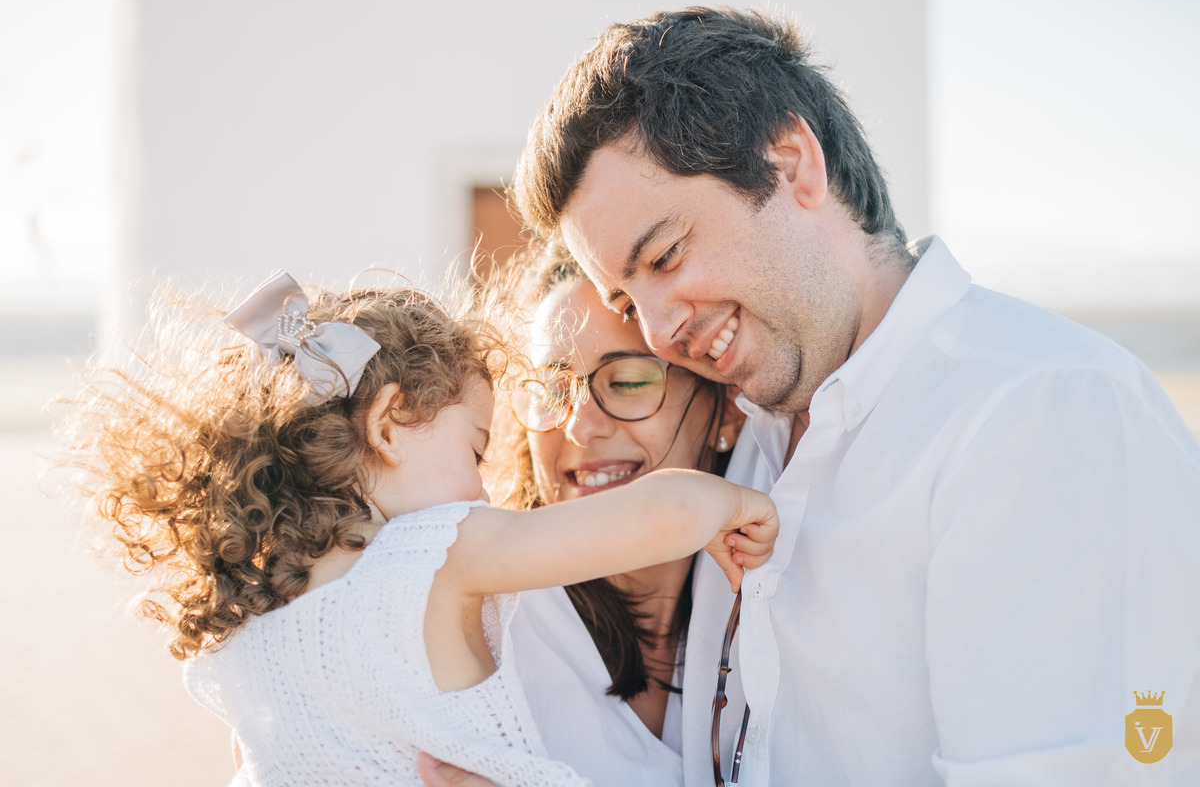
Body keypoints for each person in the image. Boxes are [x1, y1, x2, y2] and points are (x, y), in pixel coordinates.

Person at [498, 5, 1200, 787]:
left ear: (792, 162)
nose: (659, 332)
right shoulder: (746, 443)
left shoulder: (1039, 413)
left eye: (664, 255)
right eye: (628, 303)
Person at [56, 270, 778, 786]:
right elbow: (667, 513)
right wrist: (734, 504)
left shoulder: (253, 636)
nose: (480, 486)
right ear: (388, 426)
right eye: (473, 450)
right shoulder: (442, 556)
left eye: (625, 381)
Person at [491, 249, 744, 785]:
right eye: (552, 389)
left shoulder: (760, 625)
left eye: (628, 382)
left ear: (727, 413)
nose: (580, 429)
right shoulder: (492, 630)